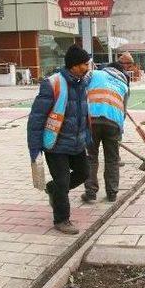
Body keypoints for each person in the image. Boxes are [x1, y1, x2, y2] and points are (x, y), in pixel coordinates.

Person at [27, 44, 91, 235]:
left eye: (87, 64)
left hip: (77, 143)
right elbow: (36, 119)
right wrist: (34, 149)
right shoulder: (52, 84)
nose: (86, 68)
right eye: (83, 64)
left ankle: (53, 189)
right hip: (55, 144)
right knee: (63, 182)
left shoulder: (82, 83)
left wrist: (87, 136)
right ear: (72, 65)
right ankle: (62, 219)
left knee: (83, 173)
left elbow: (82, 114)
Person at [81, 63, 130, 203]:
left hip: (92, 120)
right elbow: (124, 111)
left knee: (91, 157)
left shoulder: (95, 74)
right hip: (113, 122)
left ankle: (90, 192)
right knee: (112, 159)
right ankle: (112, 193)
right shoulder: (124, 85)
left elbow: (82, 90)